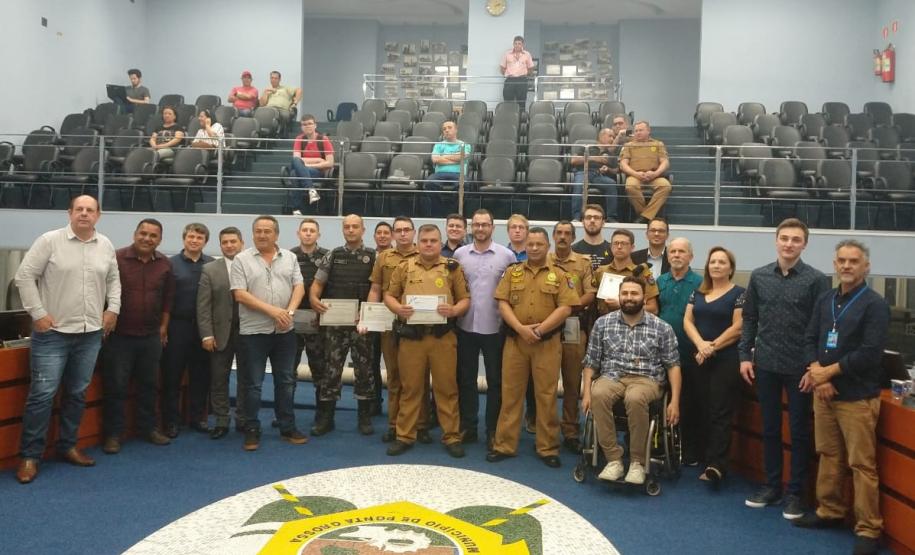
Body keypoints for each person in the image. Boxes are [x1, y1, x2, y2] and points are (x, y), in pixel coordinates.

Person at [13, 195, 120, 484]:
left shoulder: (106, 245)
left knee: (76, 393)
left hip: (90, 334)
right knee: (42, 396)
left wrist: (113, 309)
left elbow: (113, 279)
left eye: (90, 210)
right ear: (69, 213)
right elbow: (24, 276)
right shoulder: (50, 240)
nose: (84, 214)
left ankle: (68, 446)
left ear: (98, 215)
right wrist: (38, 313)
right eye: (79, 210)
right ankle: (30, 456)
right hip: (52, 335)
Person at [794, 240, 889, 555]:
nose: (847, 266)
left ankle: (868, 529)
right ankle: (830, 511)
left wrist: (827, 372)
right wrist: (817, 371)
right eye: (842, 261)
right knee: (828, 454)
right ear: (834, 265)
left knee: (861, 464)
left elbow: (870, 353)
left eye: (854, 261)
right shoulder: (825, 299)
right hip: (825, 395)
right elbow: (810, 338)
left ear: (866, 266)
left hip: (856, 397)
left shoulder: (875, 304)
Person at [739, 218, 831, 519]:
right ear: (776, 241)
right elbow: (750, 318)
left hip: (800, 368)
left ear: (804, 244)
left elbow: (821, 326)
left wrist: (813, 367)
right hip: (764, 364)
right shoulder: (759, 276)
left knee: (800, 432)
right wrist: (744, 356)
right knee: (769, 429)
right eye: (784, 238)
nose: (789, 244)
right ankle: (772, 486)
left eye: (795, 239)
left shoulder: (817, 280)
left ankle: (795, 494)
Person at [486, 227, 578, 468]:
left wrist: (539, 330)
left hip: (546, 343)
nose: (534, 248)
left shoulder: (560, 275)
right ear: (525, 246)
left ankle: (547, 447)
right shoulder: (512, 272)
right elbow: (503, 303)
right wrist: (520, 328)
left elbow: (566, 308)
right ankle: (504, 444)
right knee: (511, 394)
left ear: (548, 246)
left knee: (546, 396)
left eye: (539, 244)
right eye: (531, 244)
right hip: (515, 342)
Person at [581, 277, 682, 484]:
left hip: (647, 380)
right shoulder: (603, 323)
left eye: (634, 294)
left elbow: (673, 366)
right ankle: (613, 460)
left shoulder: (662, 328)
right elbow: (590, 362)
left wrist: (675, 402)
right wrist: (587, 394)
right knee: (599, 393)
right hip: (612, 376)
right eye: (625, 293)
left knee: (635, 397)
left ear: (644, 298)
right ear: (619, 296)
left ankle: (637, 462)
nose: (629, 298)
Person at [384, 224, 471, 458]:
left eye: (433, 240)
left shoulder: (452, 268)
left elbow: (465, 300)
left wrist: (453, 310)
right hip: (412, 339)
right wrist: (398, 308)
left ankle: (451, 436)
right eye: (424, 241)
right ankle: (404, 435)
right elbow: (389, 295)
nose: (429, 244)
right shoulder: (404, 267)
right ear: (418, 242)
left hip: (443, 338)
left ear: (439, 242)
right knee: (410, 389)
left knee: (447, 389)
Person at [231, 215, 307, 451]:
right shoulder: (241, 260)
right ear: (253, 234)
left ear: (276, 234)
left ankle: (287, 426)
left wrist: (289, 313)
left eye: (267, 231)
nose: (262, 235)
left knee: (285, 381)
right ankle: (251, 428)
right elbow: (240, 295)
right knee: (252, 384)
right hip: (253, 333)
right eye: (258, 231)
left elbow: (299, 287)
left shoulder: (291, 257)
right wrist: (275, 311)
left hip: (285, 331)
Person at [102, 218, 174, 455]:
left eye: (153, 236)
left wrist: (163, 327)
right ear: (135, 234)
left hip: (151, 338)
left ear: (159, 240)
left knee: (149, 386)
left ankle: (149, 429)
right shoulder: (116, 258)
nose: (147, 238)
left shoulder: (164, 264)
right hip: (120, 337)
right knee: (116, 387)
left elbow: (167, 300)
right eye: (143, 233)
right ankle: (113, 434)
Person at [453, 209, 517, 448]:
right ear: (471, 227)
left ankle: (493, 430)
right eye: (476, 225)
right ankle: (468, 428)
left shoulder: (507, 256)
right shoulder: (459, 255)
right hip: (465, 326)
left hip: (496, 328)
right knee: (466, 380)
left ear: (493, 227)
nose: (480, 229)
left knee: (496, 382)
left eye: (485, 225)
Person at [682, 247, 745, 484]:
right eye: (713, 262)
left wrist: (711, 347)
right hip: (698, 357)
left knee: (720, 411)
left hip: (725, 360)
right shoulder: (697, 293)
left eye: (722, 262)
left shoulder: (740, 293)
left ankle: (716, 464)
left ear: (730, 268)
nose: (716, 265)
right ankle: (697, 454)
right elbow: (687, 321)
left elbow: (738, 328)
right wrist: (701, 345)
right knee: (698, 407)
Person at [310, 215, 377, 436]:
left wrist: (367, 314)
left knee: (365, 370)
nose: (350, 230)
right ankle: (326, 418)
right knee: (331, 370)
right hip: (335, 324)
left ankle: (365, 418)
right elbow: (317, 284)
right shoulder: (333, 255)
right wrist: (313, 299)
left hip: (361, 325)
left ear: (363, 229)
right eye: (346, 227)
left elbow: (378, 288)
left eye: (354, 226)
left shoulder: (372, 256)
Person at [367, 217, 425, 442]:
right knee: (394, 377)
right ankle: (394, 424)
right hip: (389, 325)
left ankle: (419, 424)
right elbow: (376, 288)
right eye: (398, 230)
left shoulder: (423, 255)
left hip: (417, 325)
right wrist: (368, 316)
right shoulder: (383, 257)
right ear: (392, 234)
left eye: (406, 230)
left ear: (413, 233)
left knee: (417, 378)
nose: (402, 234)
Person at [161, 223, 214, 438]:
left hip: (203, 328)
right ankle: (171, 421)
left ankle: (197, 418)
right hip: (177, 326)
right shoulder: (169, 264)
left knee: (201, 375)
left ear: (205, 242)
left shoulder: (211, 265)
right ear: (184, 238)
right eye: (191, 237)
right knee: (172, 375)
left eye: (199, 238)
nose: (194, 241)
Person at [549, 221, 596, 453]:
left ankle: (570, 430)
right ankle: (545, 428)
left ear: (573, 237)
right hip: (546, 325)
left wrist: (568, 306)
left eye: (568, 234)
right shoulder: (543, 260)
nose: (563, 237)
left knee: (571, 381)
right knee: (544, 381)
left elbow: (591, 293)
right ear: (553, 236)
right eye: (559, 233)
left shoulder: (582, 263)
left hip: (572, 325)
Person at [197, 226, 247, 439]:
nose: (229, 245)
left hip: (248, 333)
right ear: (220, 245)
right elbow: (203, 306)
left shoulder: (252, 265)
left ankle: (244, 420)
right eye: (225, 242)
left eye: (233, 241)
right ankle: (221, 420)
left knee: (247, 379)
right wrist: (206, 334)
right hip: (219, 334)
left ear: (241, 243)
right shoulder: (210, 269)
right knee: (219, 379)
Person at [656, 237, 703, 464]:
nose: (676, 255)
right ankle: (658, 447)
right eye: (672, 251)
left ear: (690, 256)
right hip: (661, 353)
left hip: (689, 352)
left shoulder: (701, 283)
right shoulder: (659, 281)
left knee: (690, 402)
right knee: (659, 401)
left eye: (681, 252)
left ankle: (690, 450)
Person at [290, 219, 329, 433]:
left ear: (318, 234)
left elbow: (330, 286)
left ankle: (322, 416)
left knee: (320, 371)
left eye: (312, 231)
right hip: (292, 321)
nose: (308, 234)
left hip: (317, 321)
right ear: (298, 233)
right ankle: (285, 413)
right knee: (288, 370)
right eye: (304, 230)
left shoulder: (327, 256)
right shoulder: (288, 256)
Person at [593, 228, 659, 316]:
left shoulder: (642, 272)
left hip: (633, 323)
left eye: (624, 243)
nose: (619, 247)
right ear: (611, 247)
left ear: (632, 248)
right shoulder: (600, 271)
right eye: (616, 243)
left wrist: (622, 306)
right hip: (604, 323)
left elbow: (653, 309)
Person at [619, 121, 671, 224]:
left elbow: (665, 162)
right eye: (636, 130)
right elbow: (623, 164)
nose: (638, 133)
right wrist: (635, 174)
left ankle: (644, 217)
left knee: (666, 186)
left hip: (654, 176)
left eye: (641, 130)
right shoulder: (629, 145)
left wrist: (655, 173)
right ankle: (647, 216)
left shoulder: (658, 144)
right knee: (630, 186)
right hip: (635, 175)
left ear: (648, 131)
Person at [288, 114, 334, 216]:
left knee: (294, 173)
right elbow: (297, 159)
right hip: (305, 171)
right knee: (295, 168)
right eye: (304, 124)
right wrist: (318, 160)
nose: (307, 126)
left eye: (309, 124)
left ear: (315, 125)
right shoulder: (299, 139)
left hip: (318, 172)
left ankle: (296, 209)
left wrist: (306, 165)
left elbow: (330, 163)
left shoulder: (323, 139)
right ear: (301, 127)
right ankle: (311, 190)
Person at [423, 121, 471, 217]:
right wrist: (455, 160)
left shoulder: (464, 145)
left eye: (449, 128)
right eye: (444, 129)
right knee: (429, 183)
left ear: (456, 130)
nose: (447, 130)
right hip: (440, 174)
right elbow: (435, 159)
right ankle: (440, 212)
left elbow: (462, 156)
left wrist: (443, 157)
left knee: (465, 184)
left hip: (458, 174)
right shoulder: (438, 145)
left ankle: (453, 212)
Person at [570, 128, 619, 222]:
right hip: (583, 172)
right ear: (601, 136)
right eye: (610, 136)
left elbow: (616, 170)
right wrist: (594, 158)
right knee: (579, 186)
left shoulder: (609, 153)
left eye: (613, 137)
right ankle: (576, 217)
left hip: (598, 175)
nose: (612, 139)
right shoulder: (588, 147)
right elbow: (574, 160)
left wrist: (608, 169)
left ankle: (611, 217)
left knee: (611, 184)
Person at [572, 204, 613, 272]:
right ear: (583, 221)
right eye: (588, 217)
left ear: (603, 222)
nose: (592, 220)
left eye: (596, 217)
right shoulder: (573, 250)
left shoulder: (612, 250)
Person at [499, 35, 534, 110]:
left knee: (521, 102)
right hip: (510, 80)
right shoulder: (507, 54)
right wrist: (509, 74)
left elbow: (531, 68)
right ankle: (509, 119)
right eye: (515, 43)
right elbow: (502, 68)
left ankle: (521, 120)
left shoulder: (527, 54)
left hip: (522, 80)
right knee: (507, 101)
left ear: (522, 45)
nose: (517, 45)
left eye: (519, 43)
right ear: (513, 44)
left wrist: (524, 75)